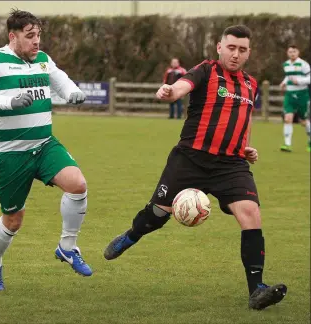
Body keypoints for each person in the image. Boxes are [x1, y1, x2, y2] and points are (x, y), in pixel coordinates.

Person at [104, 25, 287, 310]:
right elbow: (182, 86)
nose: (235, 54)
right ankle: (131, 235)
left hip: (231, 164)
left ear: (249, 52)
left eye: (242, 50)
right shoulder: (207, 71)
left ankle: (257, 290)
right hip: (190, 159)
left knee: (250, 213)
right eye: (231, 48)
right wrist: (170, 91)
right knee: (155, 216)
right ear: (219, 47)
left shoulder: (251, 84)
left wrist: (246, 148)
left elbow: (242, 121)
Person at [0, 9, 93, 291]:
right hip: (9, 154)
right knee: (13, 220)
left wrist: (72, 93)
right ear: (13, 37)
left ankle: (67, 247)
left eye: (39, 36)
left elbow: (60, 79)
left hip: (44, 145)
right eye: (30, 36)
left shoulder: (43, 61)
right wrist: (9, 102)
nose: (37, 41)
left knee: (77, 184)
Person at [279, 45, 310, 152]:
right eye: (290, 52)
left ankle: (310, 140)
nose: (292, 53)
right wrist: (283, 83)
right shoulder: (286, 64)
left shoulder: (304, 64)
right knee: (287, 118)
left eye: (294, 51)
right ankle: (287, 144)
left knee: (303, 121)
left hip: (302, 95)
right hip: (289, 94)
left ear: (298, 52)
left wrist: (299, 81)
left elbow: (309, 78)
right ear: (287, 53)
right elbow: (288, 76)